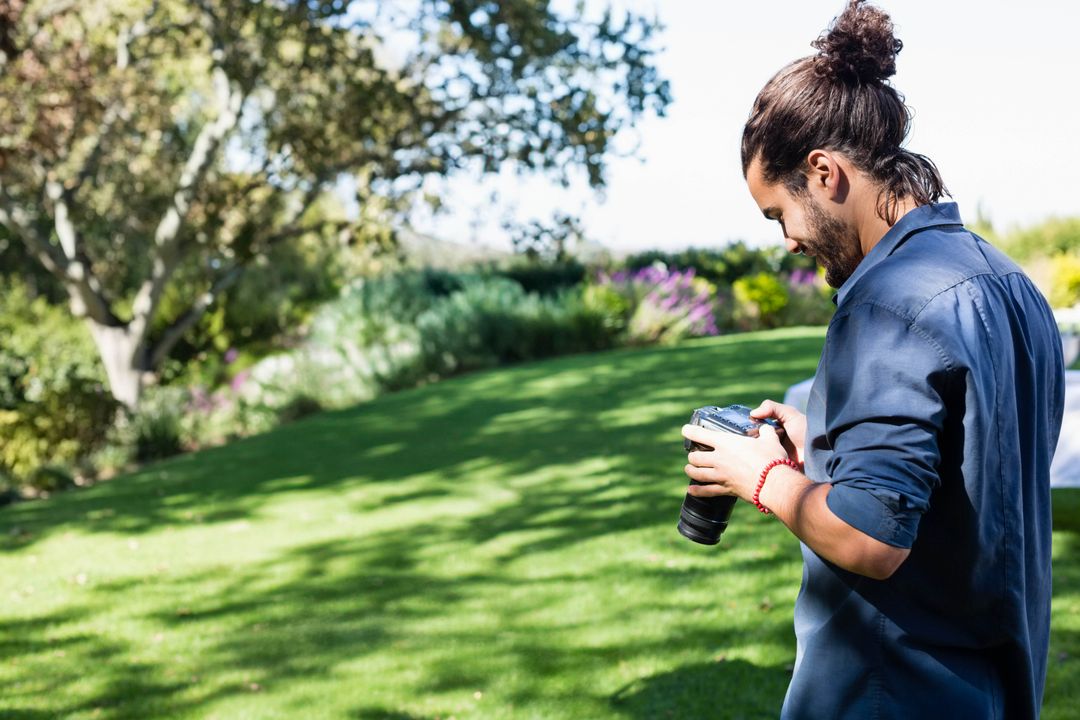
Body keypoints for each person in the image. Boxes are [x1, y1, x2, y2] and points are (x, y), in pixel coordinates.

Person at [681, 2, 1066, 718]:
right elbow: (969, 472)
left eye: (779, 215)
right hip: (996, 686)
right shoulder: (1008, 282)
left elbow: (869, 535)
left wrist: (758, 476)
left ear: (824, 173)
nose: (789, 242)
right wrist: (824, 437)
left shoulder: (886, 304)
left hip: (893, 691)